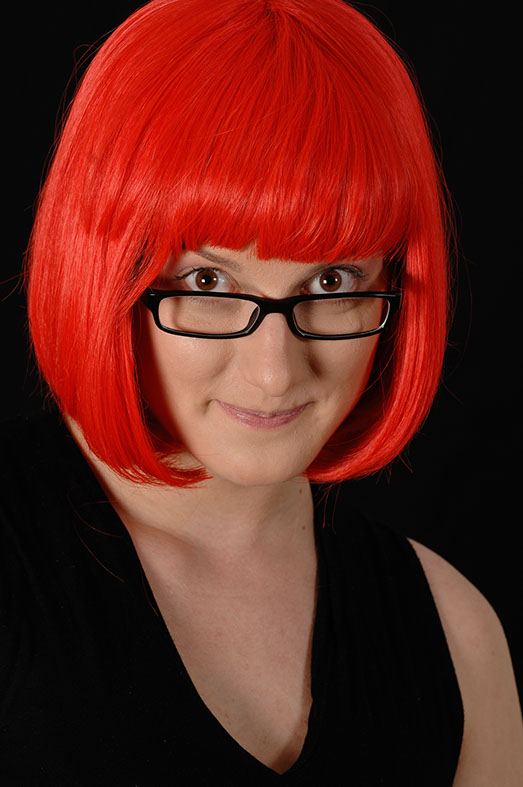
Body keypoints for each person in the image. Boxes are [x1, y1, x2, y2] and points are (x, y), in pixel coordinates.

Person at [1, 0, 522, 783]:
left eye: (332, 281)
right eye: (208, 282)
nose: (274, 370)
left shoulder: (455, 637)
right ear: (104, 275)